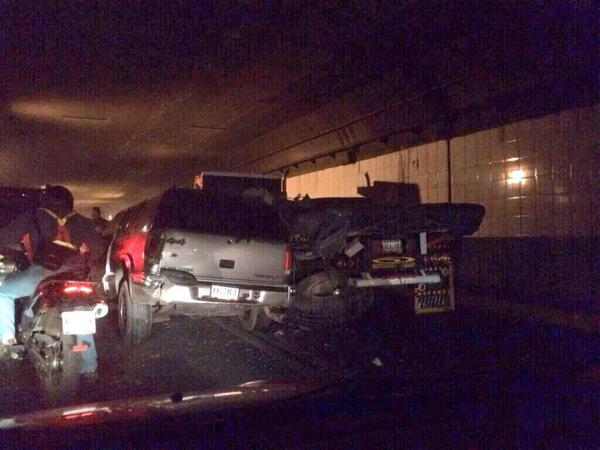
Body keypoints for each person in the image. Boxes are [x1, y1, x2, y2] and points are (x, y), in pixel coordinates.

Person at [0, 185, 104, 374]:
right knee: (80, 309)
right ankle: (89, 368)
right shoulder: (82, 221)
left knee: (3, 293)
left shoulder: (32, 217)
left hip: (42, 273)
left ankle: (8, 342)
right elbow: (98, 249)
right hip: (75, 276)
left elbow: (4, 237)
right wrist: (83, 255)